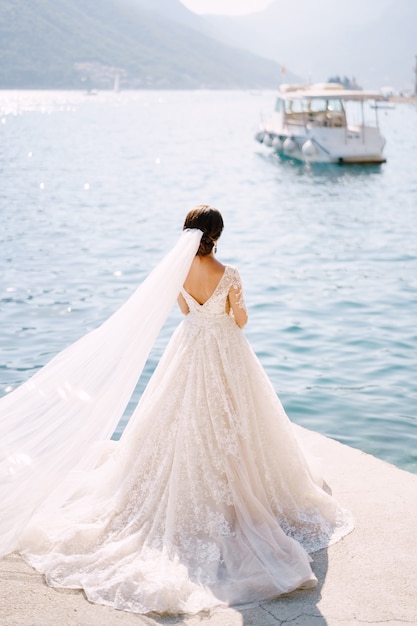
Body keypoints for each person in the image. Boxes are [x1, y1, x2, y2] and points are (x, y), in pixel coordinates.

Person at [3, 205, 353, 615]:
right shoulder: (231, 274)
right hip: (226, 355)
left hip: (187, 351)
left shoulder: (176, 271)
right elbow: (239, 321)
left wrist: (202, 310)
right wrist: (227, 310)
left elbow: (186, 312)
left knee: (178, 421)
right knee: (232, 423)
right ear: (216, 236)